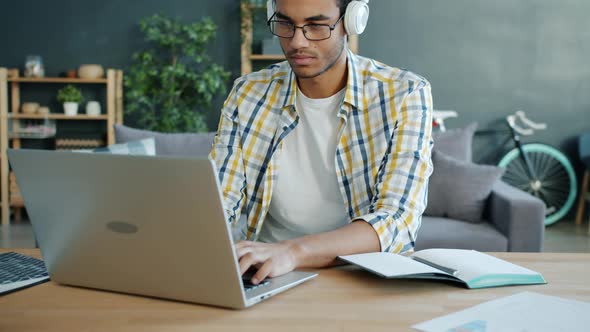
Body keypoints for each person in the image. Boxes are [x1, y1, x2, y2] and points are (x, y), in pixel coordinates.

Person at [210, 0, 433, 285]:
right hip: (263, 273)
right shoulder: (248, 93)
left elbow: (397, 221)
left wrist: (292, 251)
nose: (297, 41)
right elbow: (220, 201)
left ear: (350, 22)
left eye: (316, 25)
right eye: (286, 24)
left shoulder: (404, 94)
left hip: (361, 276)